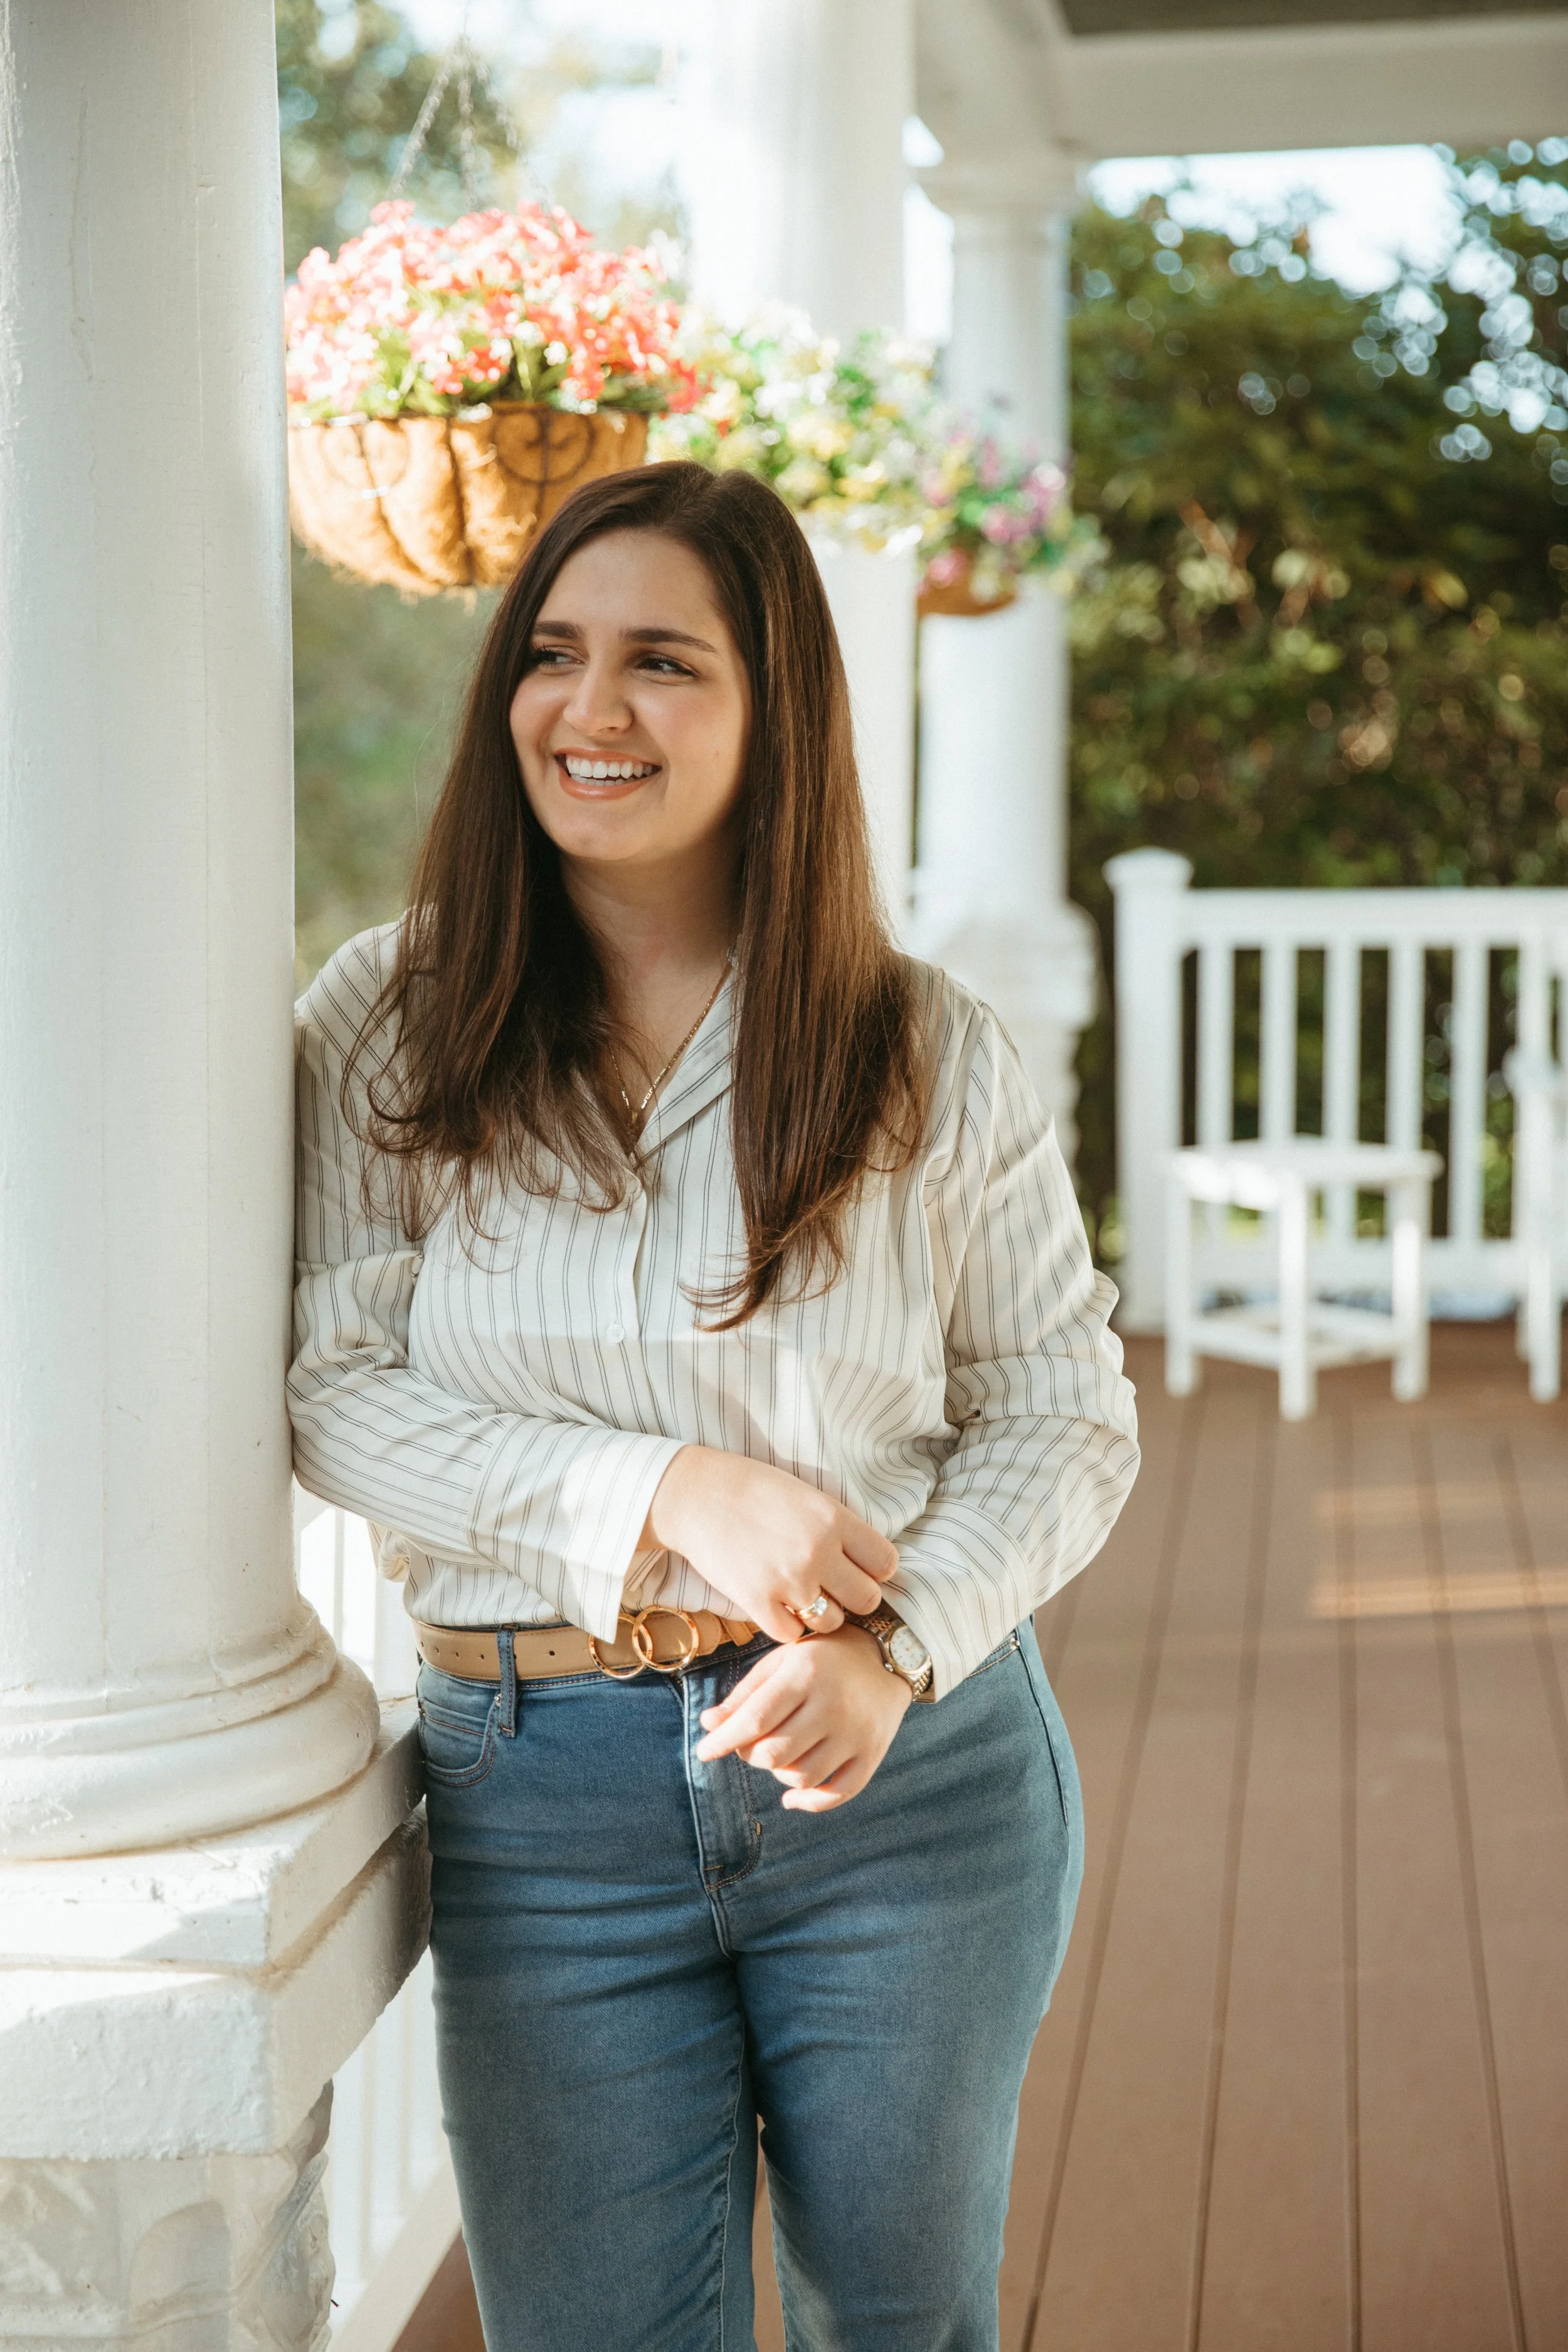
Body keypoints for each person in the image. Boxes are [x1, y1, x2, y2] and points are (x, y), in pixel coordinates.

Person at [289, 460, 1140, 2352]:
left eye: (661, 662)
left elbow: (1063, 1411)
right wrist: (667, 1486)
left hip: (908, 1788)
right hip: (542, 1800)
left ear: (777, 715)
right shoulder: (389, 1018)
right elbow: (335, 1394)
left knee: (899, 2329)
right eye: (552, 654)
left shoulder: (921, 1047)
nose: (589, 711)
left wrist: (898, 1644)